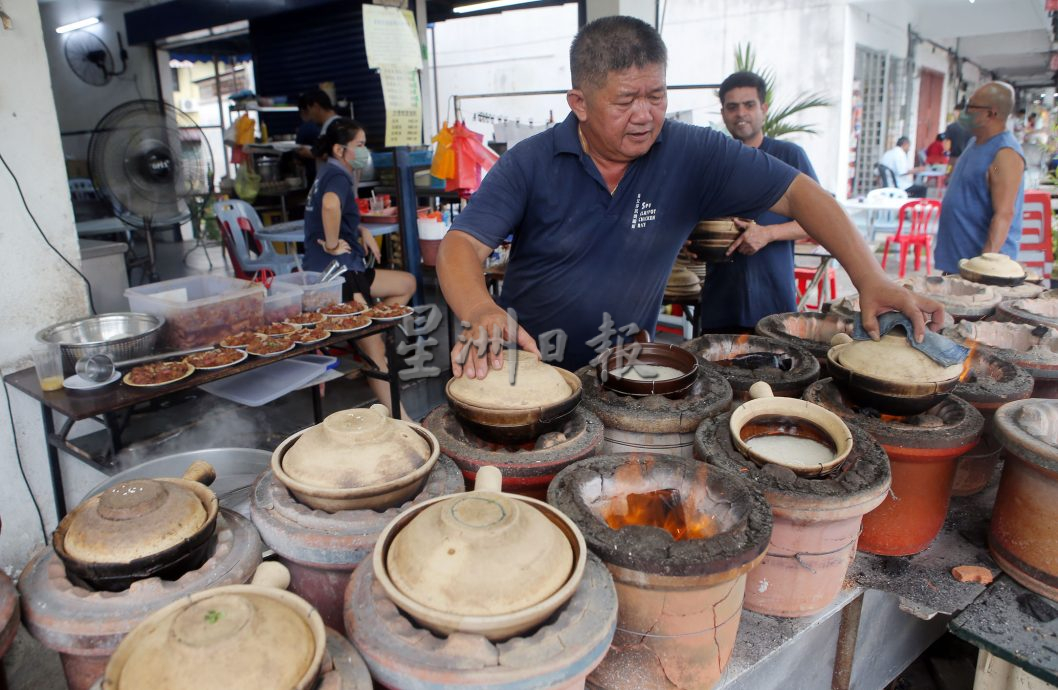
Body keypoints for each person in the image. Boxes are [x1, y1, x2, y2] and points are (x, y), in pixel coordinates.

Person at [437, 16, 942, 378]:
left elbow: (802, 194)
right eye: (625, 100)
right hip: (525, 366)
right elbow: (462, 246)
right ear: (580, 104)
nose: (644, 114)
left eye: (656, 95)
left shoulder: (691, 154)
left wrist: (872, 278)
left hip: (624, 370)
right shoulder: (531, 160)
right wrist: (481, 310)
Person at [303, 118, 416, 416]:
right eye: (360, 146)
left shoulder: (330, 171)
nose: (365, 152)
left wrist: (360, 231)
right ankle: (402, 420)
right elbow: (330, 206)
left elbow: (338, 212)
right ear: (341, 149)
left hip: (343, 268)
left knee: (406, 283)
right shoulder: (337, 177)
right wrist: (330, 243)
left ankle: (363, 339)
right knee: (377, 353)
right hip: (339, 274)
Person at [697, 70, 817, 332]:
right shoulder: (713, 162)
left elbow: (819, 222)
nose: (740, 113)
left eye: (749, 105)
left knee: (776, 371)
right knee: (718, 370)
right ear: (723, 113)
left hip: (772, 300)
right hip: (721, 301)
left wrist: (768, 233)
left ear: (763, 108)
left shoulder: (789, 156)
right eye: (732, 107)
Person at [934, 82, 1026, 274]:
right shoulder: (974, 142)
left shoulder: (1004, 153)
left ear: (991, 113)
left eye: (971, 107)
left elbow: (1004, 214)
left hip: (980, 272)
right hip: (959, 264)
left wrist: (983, 271)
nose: (965, 112)